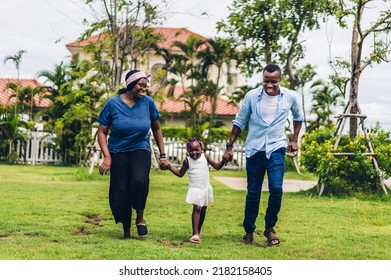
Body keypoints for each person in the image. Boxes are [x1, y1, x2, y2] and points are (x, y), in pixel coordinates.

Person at [224, 64, 303, 246]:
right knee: (253, 192)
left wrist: (295, 139)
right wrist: (229, 146)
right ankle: (249, 230)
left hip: (276, 148)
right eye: (266, 81)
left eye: (273, 81)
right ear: (263, 79)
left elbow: (298, 117)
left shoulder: (290, 97)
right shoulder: (252, 96)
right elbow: (240, 121)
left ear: (279, 80)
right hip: (255, 149)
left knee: (276, 189)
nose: (269, 85)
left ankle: (269, 228)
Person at [97, 70, 170, 239]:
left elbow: (156, 128)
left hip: (140, 147)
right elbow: (102, 132)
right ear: (130, 85)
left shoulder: (148, 103)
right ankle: (126, 229)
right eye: (141, 85)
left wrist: (163, 155)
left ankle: (140, 217)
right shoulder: (113, 104)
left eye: (146, 86)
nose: (144, 89)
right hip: (117, 150)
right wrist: (107, 156)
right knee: (121, 189)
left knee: (139, 180)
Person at [166, 138, 229, 244]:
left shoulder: (206, 157)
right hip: (195, 189)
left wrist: (223, 160)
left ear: (201, 149)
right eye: (191, 150)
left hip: (205, 188)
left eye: (196, 150)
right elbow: (180, 174)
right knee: (197, 208)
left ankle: (198, 231)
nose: (194, 152)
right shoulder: (187, 161)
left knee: (203, 210)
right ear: (187, 150)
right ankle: (195, 234)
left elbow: (217, 166)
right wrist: (169, 167)